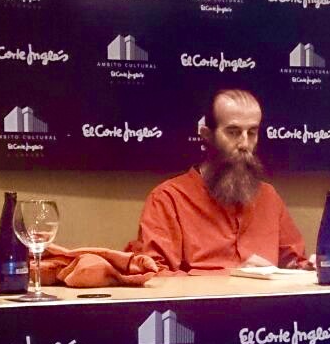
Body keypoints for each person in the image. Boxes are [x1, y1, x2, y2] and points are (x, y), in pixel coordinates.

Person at [128, 88, 310, 273]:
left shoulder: (268, 196)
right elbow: (157, 277)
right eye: (233, 132)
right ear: (207, 135)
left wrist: (309, 268)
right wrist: (233, 276)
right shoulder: (168, 199)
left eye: (252, 133)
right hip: (201, 294)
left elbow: (294, 262)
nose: (244, 144)